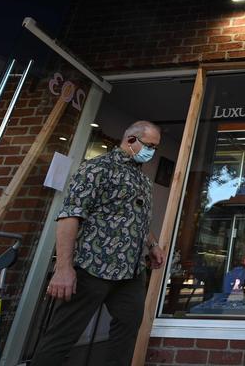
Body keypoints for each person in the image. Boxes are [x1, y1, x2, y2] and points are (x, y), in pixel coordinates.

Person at [31, 121, 166, 366]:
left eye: (155, 147)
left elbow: (137, 219)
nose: (152, 152)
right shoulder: (97, 168)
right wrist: (63, 268)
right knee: (62, 336)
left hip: (131, 272)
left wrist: (153, 245)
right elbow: (70, 215)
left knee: (127, 333)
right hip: (92, 267)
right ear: (131, 140)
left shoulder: (142, 180)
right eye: (150, 146)